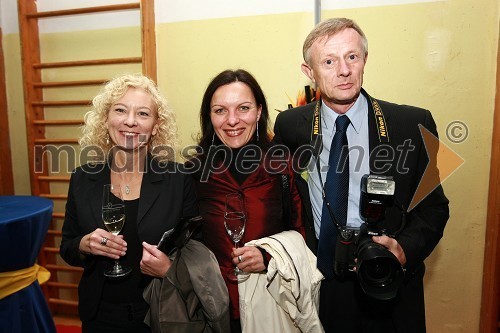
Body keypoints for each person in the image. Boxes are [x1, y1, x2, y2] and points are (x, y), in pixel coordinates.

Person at [273, 18, 449, 333]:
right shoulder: (291, 125)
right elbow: (281, 198)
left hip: (386, 284)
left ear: (364, 60)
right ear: (309, 71)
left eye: (352, 57)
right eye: (329, 61)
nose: (343, 70)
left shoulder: (412, 124)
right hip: (318, 284)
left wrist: (404, 249)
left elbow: (434, 207)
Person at [60, 73, 198, 332]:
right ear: (106, 119)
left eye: (143, 114)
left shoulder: (178, 180)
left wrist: (169, 268)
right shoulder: (82, 178)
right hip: (99, 315)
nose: (131, 121)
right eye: (120, 110)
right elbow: (67, 247)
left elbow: (198, 251)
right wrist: (84, 244)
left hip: (160, 313)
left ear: (156, 126)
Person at [188, 69, 306, 333]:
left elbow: (303, 232)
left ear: (259, 111)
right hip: (212, 307)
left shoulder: (283, 166)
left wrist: (268, 257)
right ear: (209, 116)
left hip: (273, 302)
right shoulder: (194, 172)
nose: (232, 120)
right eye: (220, 110)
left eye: (243, 108)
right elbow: (186, 242)